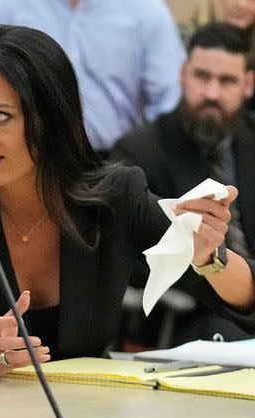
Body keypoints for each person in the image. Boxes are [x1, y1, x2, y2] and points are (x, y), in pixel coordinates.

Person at [0, 25, 255, 384]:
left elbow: (245, 302)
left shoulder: (114, 196)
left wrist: (209, 256)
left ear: (50, 119)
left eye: (0, 116)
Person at [112, 22, 255, 344]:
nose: (211, 94)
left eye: (226, 80)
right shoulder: (138, 152)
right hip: (188, 319)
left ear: (248, 84)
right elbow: (133, 261)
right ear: (182, 73)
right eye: (202, 76)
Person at [0, 0, 185, 154]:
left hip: (117, 163)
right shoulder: (10, 8)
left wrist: (141, 158)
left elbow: (169, 104)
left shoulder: (147, 11)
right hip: (31, 160)